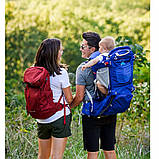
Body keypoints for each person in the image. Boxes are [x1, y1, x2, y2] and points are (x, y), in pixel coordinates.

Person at [70, 32, 117, 159]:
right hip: (109, 110)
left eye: (83, 46)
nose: (80, 49)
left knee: (92, 152)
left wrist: (68, 108)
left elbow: (79, 97)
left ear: (93, 49)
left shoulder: (82, 68)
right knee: (110, 150)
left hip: (92, 113)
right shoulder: (111, 63)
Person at [34, 38, 73, 159]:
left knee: (42, 156)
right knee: (56, 156)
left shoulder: (34, 71)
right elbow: (69, 99)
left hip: (41, 118)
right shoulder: (61, 73)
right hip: (59, 117)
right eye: (60, 50)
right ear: (55, 53)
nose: (62, 52)